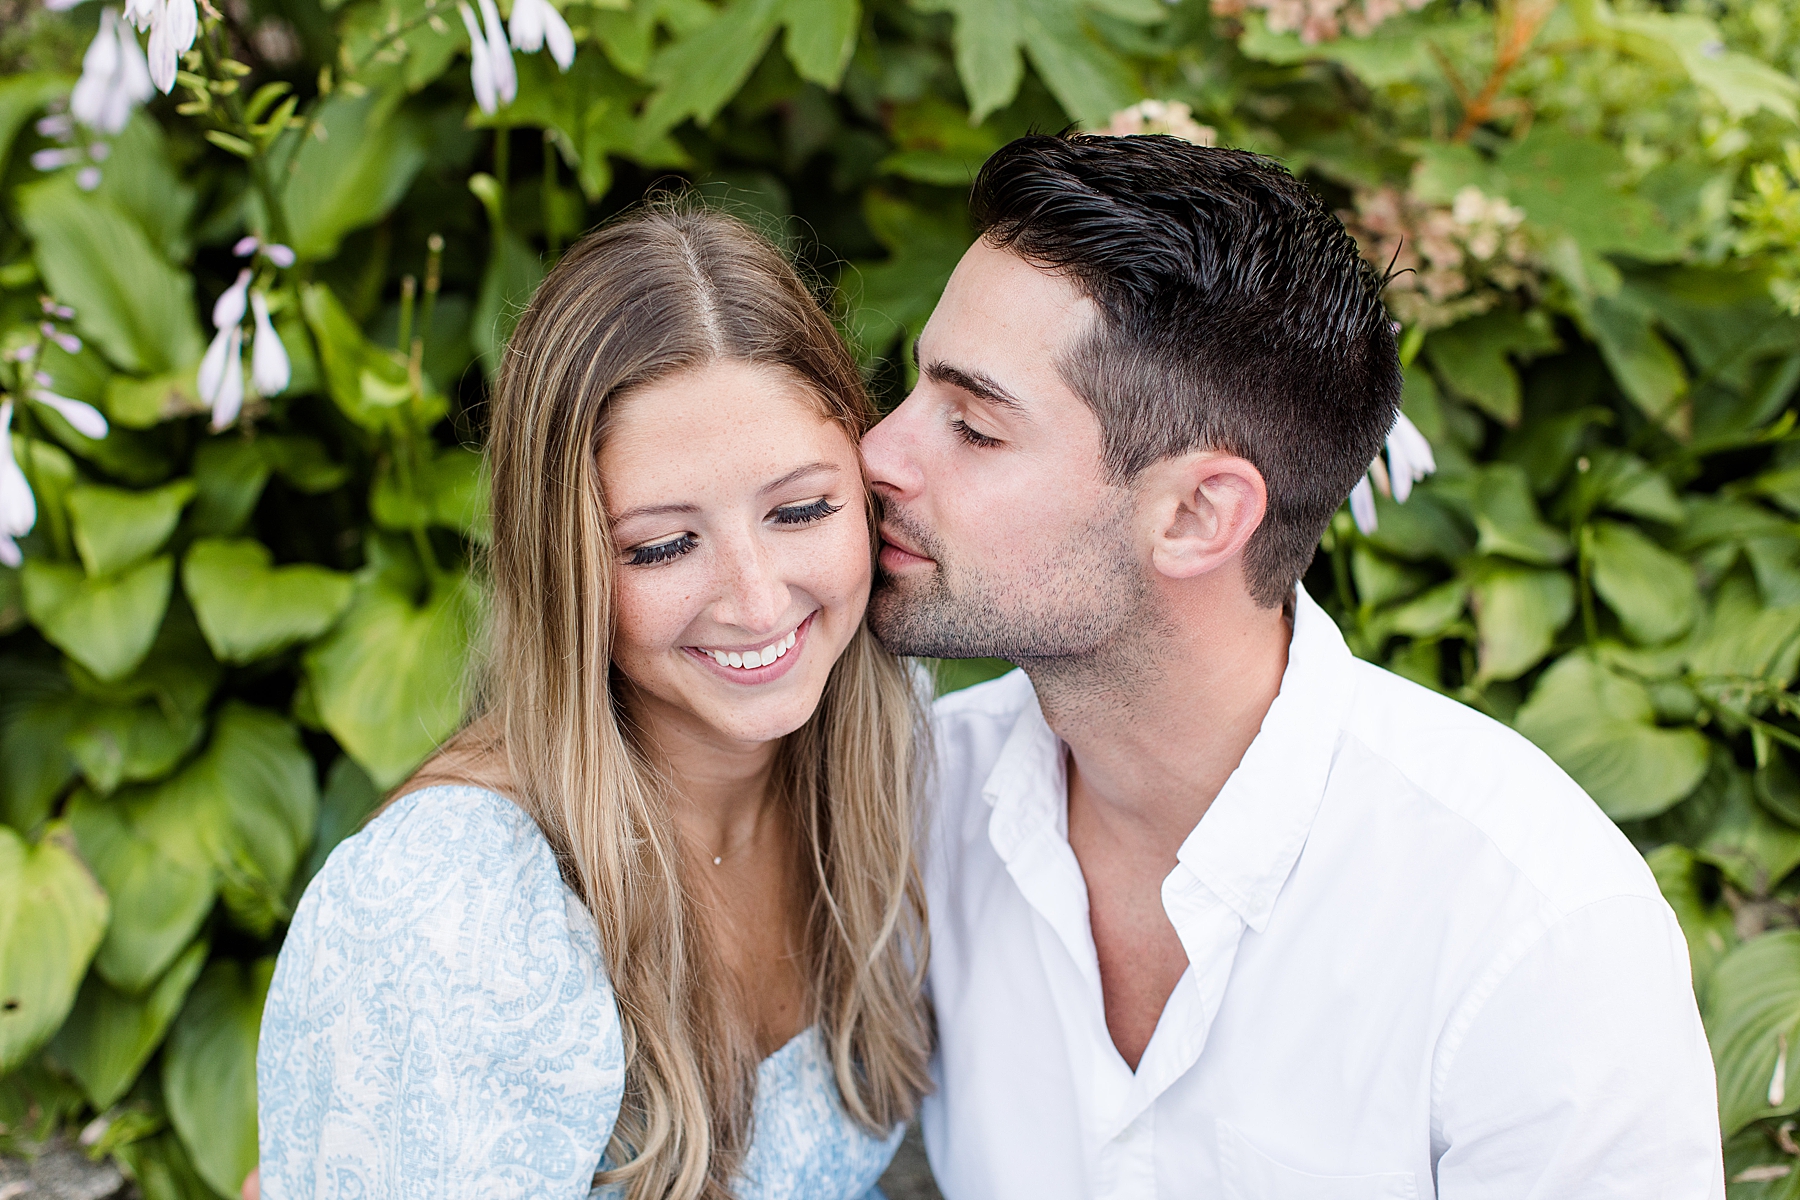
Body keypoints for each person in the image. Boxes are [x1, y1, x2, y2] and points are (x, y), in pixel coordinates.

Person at [863, 133, 1724, 1198]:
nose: (877, 453)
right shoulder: (912, 797)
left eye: (973, 426)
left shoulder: (1533, 930)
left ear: (1196, 515)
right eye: (914, 394)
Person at [255, 206, 933, 1200]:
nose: (756, 599)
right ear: (560, 568)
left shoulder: (893, 749)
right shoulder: (456, 913)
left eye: (800, 510)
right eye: (661, 545)